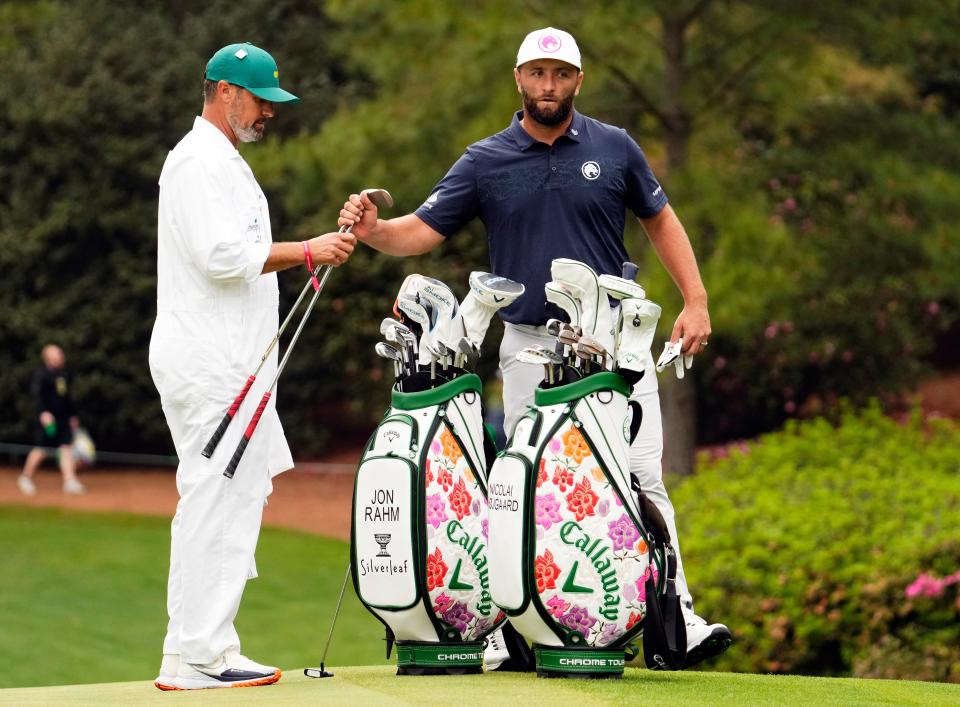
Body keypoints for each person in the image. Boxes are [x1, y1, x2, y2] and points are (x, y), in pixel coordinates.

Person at [339, 27, 732, 669]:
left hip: (614, 343)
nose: (549, 86)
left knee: (643, 475)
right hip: (527, 342)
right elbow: (420, 231)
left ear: (578, 80)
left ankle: (675, 619)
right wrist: (375, 230)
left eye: (561, 74)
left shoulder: (615, 147)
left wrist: (696, 300)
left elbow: (661, 220)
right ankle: (524, 629)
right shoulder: (485, 159)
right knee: (521, 484)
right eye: (537, 74)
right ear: (519, 79)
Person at [148, 42, 356, 691]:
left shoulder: (222, 163)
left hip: (231, 361)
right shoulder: (196, 163)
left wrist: (308, 253)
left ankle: (192, 650)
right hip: (209, 360)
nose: (269, 111)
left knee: (226, 496)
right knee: (216, 496)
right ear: (223, 91)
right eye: (260, 99)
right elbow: (219, 257)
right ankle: (203, 653)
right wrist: (306, 250)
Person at [18, 344, 85, 496]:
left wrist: (72, 415)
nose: (61, 356)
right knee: (42, 449)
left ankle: (69, 481)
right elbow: (36, 396)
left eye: (61, 353)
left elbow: (66, 398)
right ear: (48, 357)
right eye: (57, 354)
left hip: (63, 418)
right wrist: (43, 413)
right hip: (47, 419)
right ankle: (26, 477)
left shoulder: (64, 374)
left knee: (66, 448)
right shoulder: (41, 375)